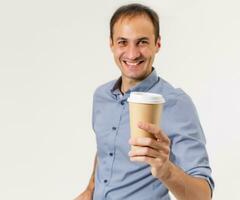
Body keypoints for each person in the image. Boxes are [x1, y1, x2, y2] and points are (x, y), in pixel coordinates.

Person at [75, 3, 214, 200]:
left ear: (157, 44)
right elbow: (106, 152)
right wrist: (90, 190)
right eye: (123, 42)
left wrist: (165, 169)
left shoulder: (175, 103)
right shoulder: (102, 96)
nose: (132, 54)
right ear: (111, 44)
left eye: (142, 42)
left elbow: (203, 195)